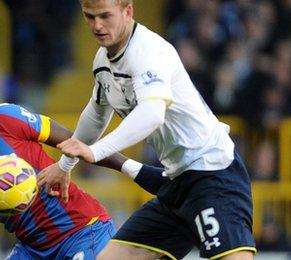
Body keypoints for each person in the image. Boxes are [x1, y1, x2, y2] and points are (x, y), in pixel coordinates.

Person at [39, 1, 256, 259]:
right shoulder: (102, 60)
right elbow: (96, 114)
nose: (97, 26)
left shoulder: (149, 52)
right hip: (176, 182)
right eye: (89, 17)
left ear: (127, 11)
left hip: (213, 173)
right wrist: (65, 166)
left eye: (105, 16)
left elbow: (152, 114)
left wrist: (95, 152)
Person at [0, 86, 167, 260]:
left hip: (83, 229)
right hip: (33, 250)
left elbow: (74, 142)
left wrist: (136, 170)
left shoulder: (1, 119)